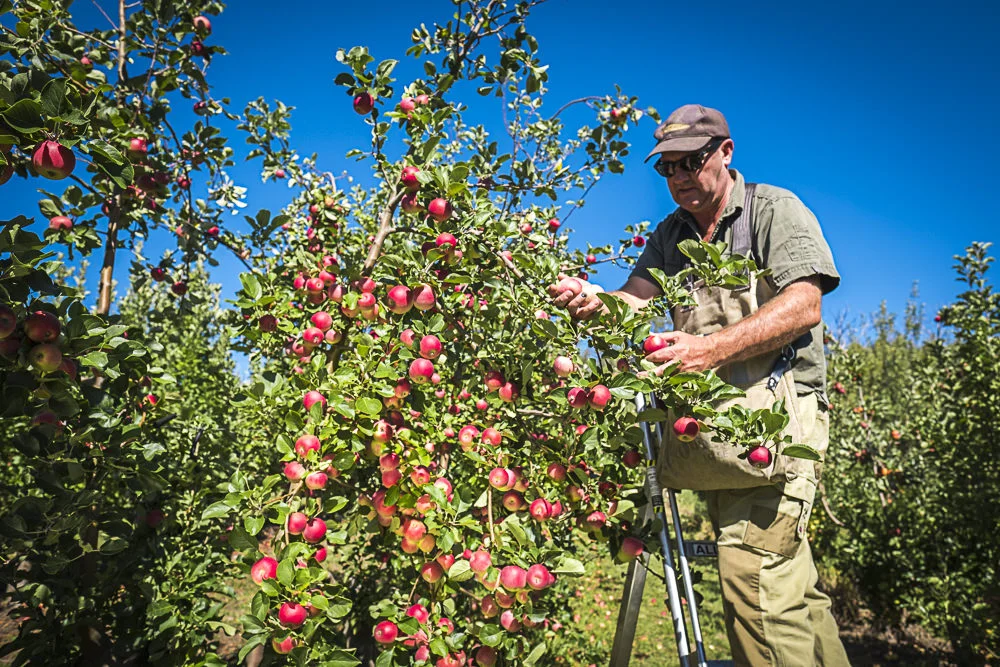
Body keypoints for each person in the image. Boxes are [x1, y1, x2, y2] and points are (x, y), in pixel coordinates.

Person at [548, 104, 851, 666]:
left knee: (755, 585)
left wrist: (709, 349)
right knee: (796, 595)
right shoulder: (672, 235)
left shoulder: (772, 210)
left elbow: (804, 303)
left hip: (775, 432)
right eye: (669, 168)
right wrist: (594, 299)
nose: (682, 176)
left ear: (726, 153)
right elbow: (632, 302)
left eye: (693, 161)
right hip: (716, 437)